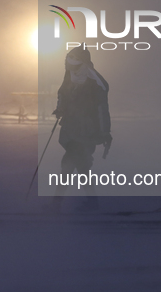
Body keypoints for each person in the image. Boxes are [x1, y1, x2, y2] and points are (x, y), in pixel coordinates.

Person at [49, 44, 112, 212]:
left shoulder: (95, 83)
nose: (69, 65)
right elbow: (63, 93)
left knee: (69, 164)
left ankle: (57, 204)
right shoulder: (70, 76)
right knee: (80, 167)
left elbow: (102, 110)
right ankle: (91, 203)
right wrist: (61, 108)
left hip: (86, 132)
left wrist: (105, 131)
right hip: (71, 129)